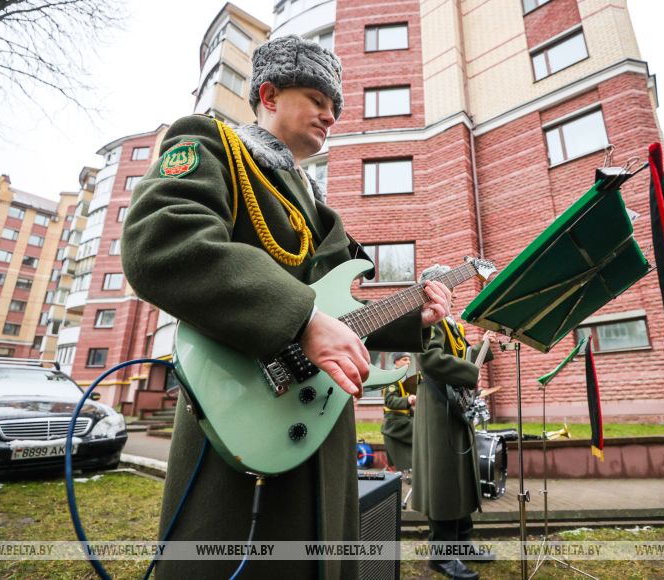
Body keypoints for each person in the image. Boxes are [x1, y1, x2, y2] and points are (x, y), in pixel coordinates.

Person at [121, 35, 451, 579]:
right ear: (269, 95)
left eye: (335, 108)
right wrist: (297, 319)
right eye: (318, 100)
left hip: (318, 421)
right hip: (239, 416)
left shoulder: (318, 207)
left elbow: (339, 315)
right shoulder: (210, 145)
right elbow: (161, 241)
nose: (330, 116)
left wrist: (413, 319)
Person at [411, 265, 494, 580]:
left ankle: (462, 545)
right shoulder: (427, 320)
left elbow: (461, 357)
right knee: (445, 483)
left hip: (455, 410)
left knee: (462, 479)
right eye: (451, 285)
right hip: (437, 411)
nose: (456, 291)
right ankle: (442, 557)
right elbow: (430, 360)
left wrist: (485, 347)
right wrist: (471, 372)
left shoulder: (450, 324)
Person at [380, 352, 419, 472]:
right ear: (396, 362)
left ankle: (415, 466)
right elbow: (389, 400)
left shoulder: (404, 378)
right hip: (395, 422)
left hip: (403, 420)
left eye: (409, 360)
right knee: (423, 432)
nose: (408, 362)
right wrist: (408, 399)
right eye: (404, 360)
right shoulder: (393, 379)